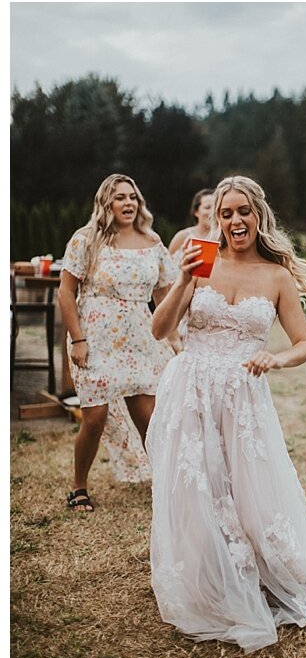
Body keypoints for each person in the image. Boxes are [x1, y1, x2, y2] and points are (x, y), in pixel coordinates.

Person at [146, 175, 306, 652]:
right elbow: (159, 329)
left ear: (258, 215)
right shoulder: (201, 262)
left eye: (243, 211)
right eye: (226, 212)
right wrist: (183, 280)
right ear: (216, 218)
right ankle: (210, 579)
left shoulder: (276, 277)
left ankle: (259, 572)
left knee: (252, 499)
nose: (235, 220)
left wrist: (276, 358)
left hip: (243, 398)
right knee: (197, 489)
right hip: (191, 390)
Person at [57, 174, 175, 511]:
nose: (128, 203)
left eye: (133, 197)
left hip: (140, 341)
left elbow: (164, 294)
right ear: (105, 203)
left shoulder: (152, 241)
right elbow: (66, 292)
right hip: (96, 339)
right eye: (120, 197)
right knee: (94, 418)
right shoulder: (86, 240)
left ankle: (167, 486)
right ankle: (79, 486)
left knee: (149, 418)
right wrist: (77, 339)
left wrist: (176, 336)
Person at [168, 188, 216, 256]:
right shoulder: (182, 236)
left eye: (216, 208)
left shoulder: (223, 239)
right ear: (196, 212)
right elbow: (167, 261)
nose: (213, 212)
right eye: (207, 207)